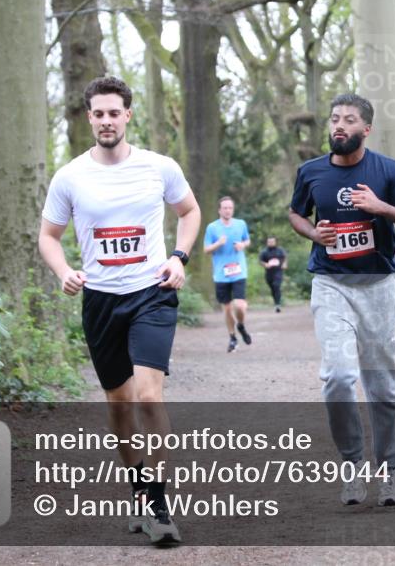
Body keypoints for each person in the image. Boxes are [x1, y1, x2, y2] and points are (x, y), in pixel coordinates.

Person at [38, 75, 200, 546]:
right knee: (119, 403)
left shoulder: (158, 167)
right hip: (101, 300)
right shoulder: (69, 176)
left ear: (129, 115)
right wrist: (64, 270)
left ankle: (159, 505)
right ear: (89, 118)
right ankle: (138, 486)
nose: (107, 120)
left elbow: (189, 212)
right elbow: (48, 236)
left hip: (152, 292)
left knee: (150, 395)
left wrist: (179, 257)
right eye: (99, 113)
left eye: (115, 112)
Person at [288, 93, 395, 507]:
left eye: (349, 120)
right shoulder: (311, 171)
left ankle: (389, 472)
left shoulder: (387, 170)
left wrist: (381, 207)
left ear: (365, 129)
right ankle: (351, 466)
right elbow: (296, 213)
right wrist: (313, 233)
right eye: (334, 118)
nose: (339, 125)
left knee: (382, 386)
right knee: (337, 377)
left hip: (377, 287)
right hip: (331, 286)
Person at [203, 196, 253, 352]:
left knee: (240, 305)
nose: (228, 210)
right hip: (221, 274)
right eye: (225, 208)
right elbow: (206, 250)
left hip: (239, 271)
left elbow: (247, 240)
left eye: (230, 207)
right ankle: (232, 337)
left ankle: (241, 325)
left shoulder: (240, 224)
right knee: (226, 308)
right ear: (219, 210)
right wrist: (218, 243)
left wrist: (242, 245)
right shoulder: (212, 228)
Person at [258, 236, 288, 312]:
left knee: (276, 285)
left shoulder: (280, 250)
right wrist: (265, 264)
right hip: (269, 273)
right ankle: (276, 302)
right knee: (272, 288)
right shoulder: (264, 252)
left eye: (272, 241)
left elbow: (285, 257)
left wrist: (284, 264)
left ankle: (278, 304)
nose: (271, 243)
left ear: (275, 242)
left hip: (278, 271)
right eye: (269, 242)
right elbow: (260, 261)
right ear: (267, 243)